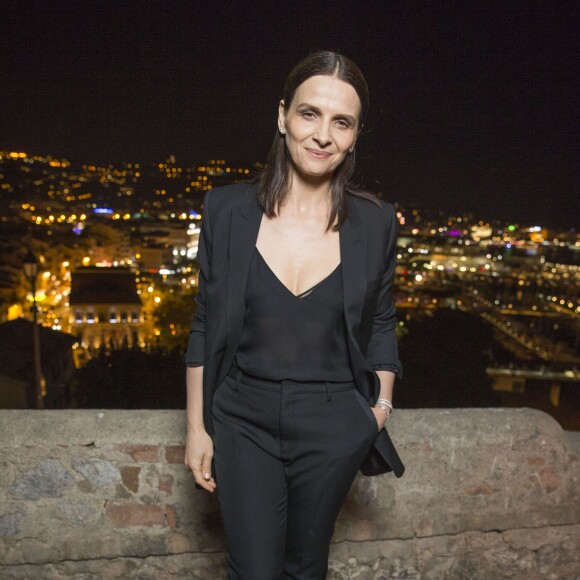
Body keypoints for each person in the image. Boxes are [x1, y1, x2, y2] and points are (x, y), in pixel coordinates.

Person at [184, 50, 404, 580]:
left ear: (353, 136)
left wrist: (378, 410)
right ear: (283, 115)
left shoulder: (375, 222)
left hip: (334, 421)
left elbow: (380, 322)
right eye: (310, 113)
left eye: (341, 122)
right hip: (243, 418)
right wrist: (197, 428)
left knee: (306, 568)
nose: (322, 134)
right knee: (254, 571)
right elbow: (204, 325)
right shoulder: (225, 211)